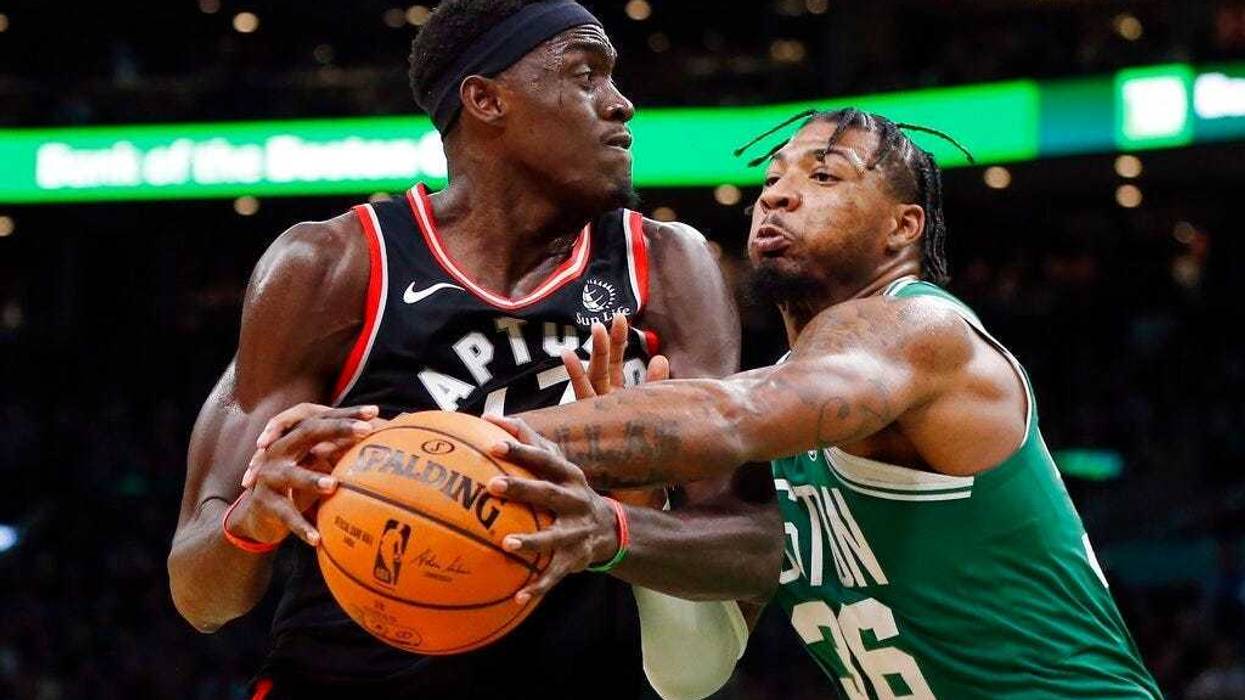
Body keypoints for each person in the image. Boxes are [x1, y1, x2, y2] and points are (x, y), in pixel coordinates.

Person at [166, 1, 777, 698]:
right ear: (486, 99)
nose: (621, 104)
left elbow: (752, 547)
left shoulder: (666, 265)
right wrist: (252, 519)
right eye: (586, 76)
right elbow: (200, 596)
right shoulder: (334, 264)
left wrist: (617, 521)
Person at [482, 108, 1163, 698]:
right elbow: (690, 672)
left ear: (902, 227)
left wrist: (449, 438)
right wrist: (627, 511)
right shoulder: (788, 404)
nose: (777, 196)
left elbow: (728, 417)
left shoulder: (917, 330)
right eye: (772, 177)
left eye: (823, 176)